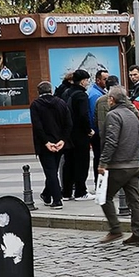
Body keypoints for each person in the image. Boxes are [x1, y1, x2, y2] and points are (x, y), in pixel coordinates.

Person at [97, 86, 139, 246]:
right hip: (134, 163)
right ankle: (138, 233)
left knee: (104, 197)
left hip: (118, 165)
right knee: (134, 201)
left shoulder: (113, 115)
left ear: (112, 99)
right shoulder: (132, 114)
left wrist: (103, 162)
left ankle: (115, 229)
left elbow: (111, 141)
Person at [30, 81, 72, 209]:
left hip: (44, 144)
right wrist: (63, 140)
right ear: (51, 90)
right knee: (52, 170)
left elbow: (38, 126)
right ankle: (46, 195)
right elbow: (69, 123)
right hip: (59, 142)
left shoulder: (36, 105)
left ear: (39, 91)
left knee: (50, 172)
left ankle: (57, 199)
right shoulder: (61, 103)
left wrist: (46, 142)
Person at [63, 69, 95, 201]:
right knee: (82, 163)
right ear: (82, 81)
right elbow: (83, 115)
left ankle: (66, 192)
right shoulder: (81, 96)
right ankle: (81, 192)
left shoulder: (66, 93)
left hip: (67, 134)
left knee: (68, 163)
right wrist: (89, 130)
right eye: (87, 80)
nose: (87, 83)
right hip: (79, 134)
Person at [87, 69, 109, 185]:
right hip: (98, 133)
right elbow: (93, 115)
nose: (107, 81)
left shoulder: (100, 92)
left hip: (99, 132)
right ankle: (99, 183)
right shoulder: (95, 95)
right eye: (105, 79)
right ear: (98, 80)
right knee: (100, 158)